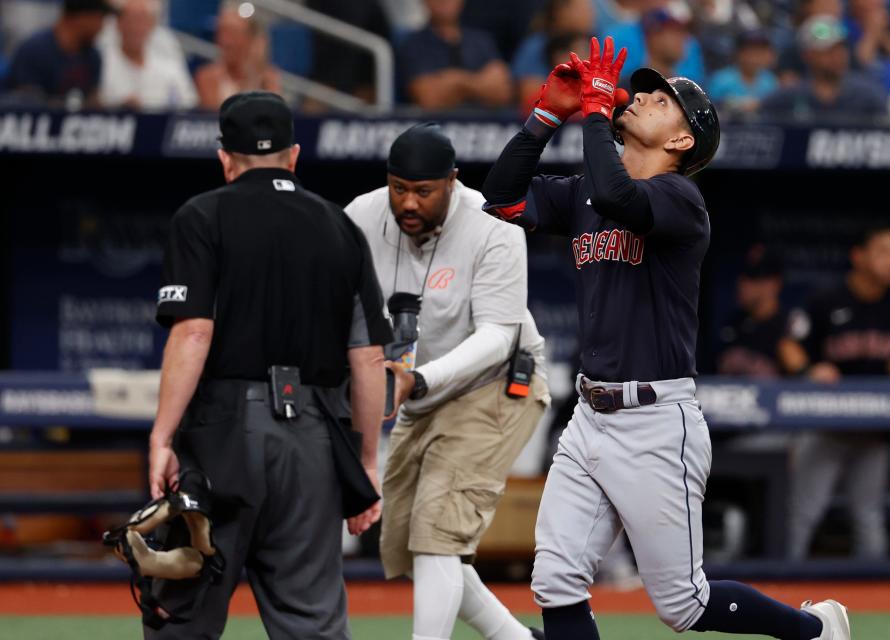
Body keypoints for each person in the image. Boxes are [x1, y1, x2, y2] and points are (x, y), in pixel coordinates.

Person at [482, 35, 850, 640]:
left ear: (682, 141)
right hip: (590, 416)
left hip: (656, 421)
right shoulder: (586, 191)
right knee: (554, 580)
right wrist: (547, 116)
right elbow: (502, 199)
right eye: (645, 91)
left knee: (683, 605)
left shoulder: (682, 198)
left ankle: (813, 631)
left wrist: (598, 113)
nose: (644, 97)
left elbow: (619, 197)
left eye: (660, 100)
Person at [147, 91, 391, 638]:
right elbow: (370, 357)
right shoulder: (340, 226)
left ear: (224, 158)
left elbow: (193, 331)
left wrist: (162, 437)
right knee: (313, 622)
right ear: (294, 155)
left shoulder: (202, 214)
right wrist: (367, 462)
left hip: (224, 436)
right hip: (314, 439)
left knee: (182, 611)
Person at [344, 123, 551, 640]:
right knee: (415, 548)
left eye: (423, 191)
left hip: (498, 383)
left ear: (452, 182)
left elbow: (499, 336)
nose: (407, 202)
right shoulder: (361, 217)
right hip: (421, 392)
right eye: (398, 188)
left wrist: (418, 379)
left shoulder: (492, 223)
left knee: (437, 534)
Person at [784, 223, 890, 561]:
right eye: (884, 252)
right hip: (826, 426)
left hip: (873, 429)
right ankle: (781, 587)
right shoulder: (826, 300)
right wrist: (809, 369)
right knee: (803, 515)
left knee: (869, 518)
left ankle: (879, 605)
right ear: (859, 257)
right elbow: (789, 344)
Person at [761, 14, 887, 120]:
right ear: (808, 56)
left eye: (841, 48)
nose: (837, 56)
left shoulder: (868, 96)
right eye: (828, 50)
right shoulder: (787, 98)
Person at [396, 0, 512, 109]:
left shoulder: (481, 41)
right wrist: (480, 84)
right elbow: (429, 98)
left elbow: (502, 92)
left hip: (483, 127)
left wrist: (455, 82)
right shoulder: (413, 44)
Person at [4, 0, 114, 107]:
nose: (102, 26)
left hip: (78, 125)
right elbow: (24, 103)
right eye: (100, 18)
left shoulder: (93, 56)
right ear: (82, 17)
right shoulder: (35, 50)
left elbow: (93, 101)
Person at [98, 0, 197, 111]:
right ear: (118, 23)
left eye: (141, 21)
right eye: (129, 20)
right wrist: (119, 108)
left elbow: (189, 103)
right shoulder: (102, 62)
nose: (134, 27)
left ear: (151, 25)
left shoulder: (168, 57)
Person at [715, 247, 795, 377]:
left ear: (774, 284)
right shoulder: (733, 323)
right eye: (742, 277)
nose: (742, 284)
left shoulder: (789, 325)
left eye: (753, 278)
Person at [194, 5, 282, 111]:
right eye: (222, 33)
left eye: (233, 33)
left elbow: (274, 116)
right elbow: (217, 119)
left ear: (250, 39)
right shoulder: (207, 77)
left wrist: (253, 77)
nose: (226, 41)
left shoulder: (268, 79)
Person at [512, 0, 596, 109]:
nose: (590, 15)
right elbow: (529, 94)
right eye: (582, 10)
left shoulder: (593, 42)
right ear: (561, 12)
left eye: (589, 10)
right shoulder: (537, 46)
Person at [605, 7, 707, 86]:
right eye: (675, 32)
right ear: (653, 36)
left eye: (684, 32)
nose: (684, 38)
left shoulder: (688, 90)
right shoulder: (630, 86)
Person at [708, 29, 779, 114]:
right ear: (738, 53)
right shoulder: (721, 80)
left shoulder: (770, 81)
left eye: (760, 51)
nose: (755, 57)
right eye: (750, 51)